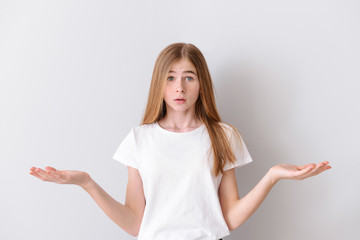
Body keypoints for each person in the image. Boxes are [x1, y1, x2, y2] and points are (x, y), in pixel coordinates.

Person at [30, 43, 331, 240]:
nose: (180, 87)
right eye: (171, 77)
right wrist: (87, 183)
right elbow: (136, 223)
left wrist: (272, 175)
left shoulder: (223, 136)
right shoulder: (139, 139)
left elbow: (229, 218)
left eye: (189, 77)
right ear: (159, 84)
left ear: (202, 84)